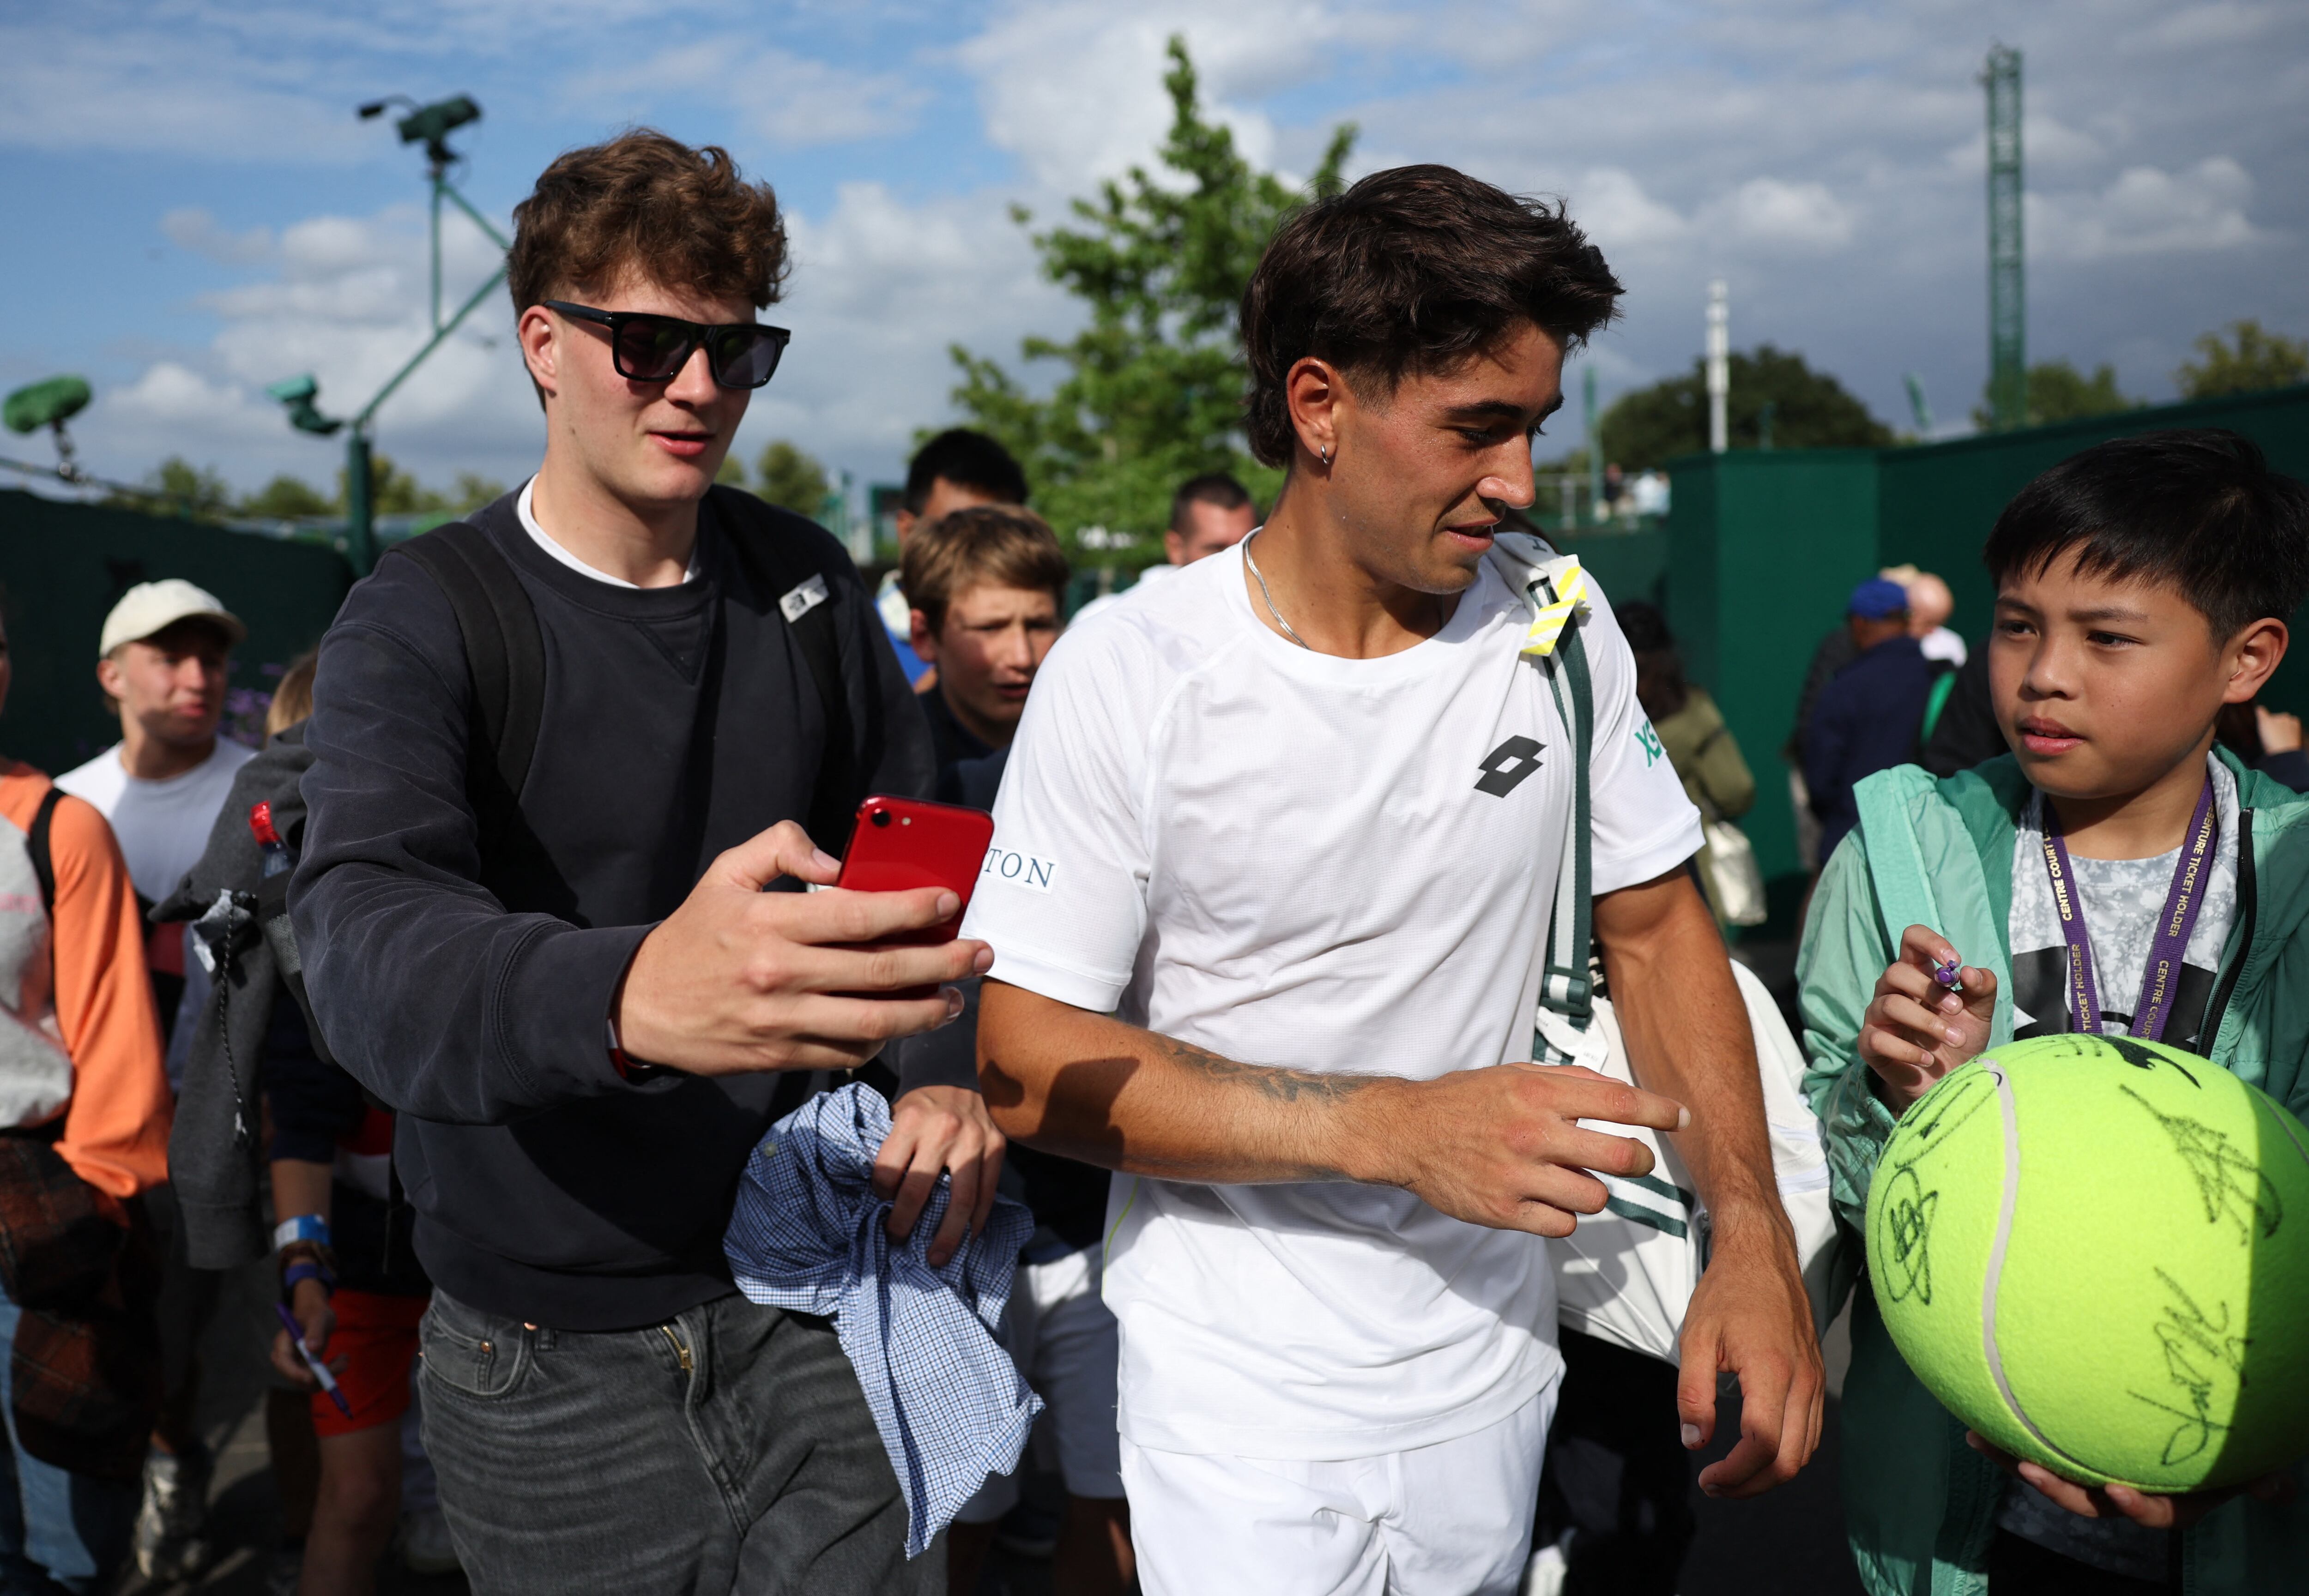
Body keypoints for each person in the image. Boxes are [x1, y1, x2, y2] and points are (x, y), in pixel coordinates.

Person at [964, 164, 1822, 1596]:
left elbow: (1661, 928)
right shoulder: (1133, 666)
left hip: (1494, 1370)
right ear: (1319, 408)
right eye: (1477, 430)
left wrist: (1751, 1234)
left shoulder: (1557, 623)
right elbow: (1019, 1059)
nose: (1521, 482)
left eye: (1535, 429)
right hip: (1232, 1399)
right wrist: (1390, 1129)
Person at [290, 129, 999, 1595]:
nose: (697, 388)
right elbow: (362, 941)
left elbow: (920, 877)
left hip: (814, 1296)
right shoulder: (423, 613)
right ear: (543, 345)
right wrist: (625, 996)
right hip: (545, 1366)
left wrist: (941, 1071)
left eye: (736, 352)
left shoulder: (806, 582)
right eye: (650, 343)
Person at [1798, 428, 2309, 1595]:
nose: (2043, 673)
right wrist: (1898, 1099)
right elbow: (1826, 1185)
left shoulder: (2296, 877)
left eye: (2107, 637)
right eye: (2018, 623)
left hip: (2248, 1510)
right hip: (1977, 1527)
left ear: (2247, 659)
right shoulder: (1895, 860)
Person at [54, 578, 253, 1582]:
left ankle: (179, 1491)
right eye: (170, 656)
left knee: (205, 1356)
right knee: (114, 1358)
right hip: (91, 1148)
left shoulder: (269, 792)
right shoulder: (67, 808)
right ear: (111, 674)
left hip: (231, 1140)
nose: (197, 676)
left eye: (211, 657)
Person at [0, 610, 175, 1592]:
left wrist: (90, 1204)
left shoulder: (58, 826)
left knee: (68, 1546)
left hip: (38, 1209)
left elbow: (115, 1034)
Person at [899, 505, 1067, 782]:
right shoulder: (890, 766)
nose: (1022, 657)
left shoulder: (1100, 742)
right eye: (990, 628)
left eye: (1038, 625)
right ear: (924, 636)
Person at [1618, 601, 1757, 929]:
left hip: (1608, 879)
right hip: (1685, 872)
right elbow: (1736, 790)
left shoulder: (1593, 713)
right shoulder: (1695, 713)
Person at [878, 430, 1032, 689]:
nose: (983, 552)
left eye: (1000, 533)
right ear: (907, 531)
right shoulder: (851, 642)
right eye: (954, 531)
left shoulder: (1048, 652)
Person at [1802, 577, 1935, 865]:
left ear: (1860, 624)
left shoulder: (1844, 688)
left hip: (1852, 841)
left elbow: (1822, 780)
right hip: (1926, 839)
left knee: (1823, 910)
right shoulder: (1937, 679)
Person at [1068, 472, 1257, 629]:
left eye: (1247, 545)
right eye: (1217, 549)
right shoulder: (1108, 624)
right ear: (1175, 548)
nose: (1236, 560)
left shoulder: (1270, 619)